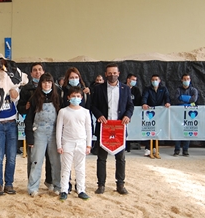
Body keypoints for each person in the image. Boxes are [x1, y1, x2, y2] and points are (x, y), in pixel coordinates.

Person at [90, 63, 134, 195]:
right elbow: (93, 105)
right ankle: (101, 185)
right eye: (109, 73)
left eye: (114, 72)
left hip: (119, 128)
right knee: (101, 158)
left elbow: (130, 106)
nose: (112, 75)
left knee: (120, 158)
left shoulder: (126, 89)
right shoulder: (98, 89)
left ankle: (120, 184)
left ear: (119, 73)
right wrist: (99, 115)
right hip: (104, 128)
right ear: (105, 74)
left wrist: (127, 115)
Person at [17, 63, 53, 191]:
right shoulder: (26, 89)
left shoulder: (54, 90)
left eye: (39, 70)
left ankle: (50, 181)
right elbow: (20, 107)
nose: (37, 72)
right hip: (34, 128)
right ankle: (32, 184)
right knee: (34, 159)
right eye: (34, 70)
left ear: (43, 71)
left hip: (50, 131)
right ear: (31, 74)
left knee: (51, 158)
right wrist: (25, 108)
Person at [25, 73, 62, 197]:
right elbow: (29, 119)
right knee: (36, 161)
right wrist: (30, 137)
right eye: (44, 82)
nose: (47, 84)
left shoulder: (57, 98)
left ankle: (57, 186)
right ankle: (33, 187)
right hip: (38, 133)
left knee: (56, 161)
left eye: (49, 82)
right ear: (40, 84)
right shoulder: (34, 99)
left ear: (52, 84)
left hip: (54, 133)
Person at [56, 86, 92, 201]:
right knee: (66, 168)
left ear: (81, 97)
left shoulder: (85, 112)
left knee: (80, 168)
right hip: (67, 143)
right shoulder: (63, 111)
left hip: (81, 143)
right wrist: (59, 145)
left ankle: (81, 190)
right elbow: (59, 129)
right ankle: (64, 190)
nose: (75, 98)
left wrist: (88, 144)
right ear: (68, 97)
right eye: (73, 96)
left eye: (78, 96)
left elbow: (88, 129)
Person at [0, 88, 19, 195]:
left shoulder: (12, 85)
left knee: (11, 157)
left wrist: (10, 86)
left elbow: (15, 97)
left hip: (11, 123)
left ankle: (9, 184)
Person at [141, 74, 171, 158]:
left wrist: (168, 102)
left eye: (156, 79)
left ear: (159, 80)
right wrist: (144, 103)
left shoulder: (163, 89)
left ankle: (155, 148)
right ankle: (148, 148)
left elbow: (167, 97)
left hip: (159, 113)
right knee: (148, 129)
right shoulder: (147, 89)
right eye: (153, 80)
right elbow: (144, 97)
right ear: (151, 81)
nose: (155, 81)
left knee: (157, 130)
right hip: (149, 113)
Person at [172, 74, 199, 157]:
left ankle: (185, 150)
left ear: (190, 80)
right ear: (181, 80)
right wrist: (188, 100)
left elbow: (194, 99)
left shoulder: (194, 90)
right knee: (177, 131)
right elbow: (176, 100)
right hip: (178, 114)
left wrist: (182, 97)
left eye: (187, 79)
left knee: (187, 131)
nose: (186, 80)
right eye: (184, 79)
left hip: (189, 115)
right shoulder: (178, 90)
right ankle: (177, 150)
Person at [125, 74, 142, 153]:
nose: (134, 81)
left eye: (135, 80)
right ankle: (124, 146)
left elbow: (139, 100)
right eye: (133, 79)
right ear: (128, 80)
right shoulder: (123, 88)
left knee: (131, 129)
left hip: (134, 112)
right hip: (124, 112)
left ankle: (129, 146)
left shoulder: (136, 90)